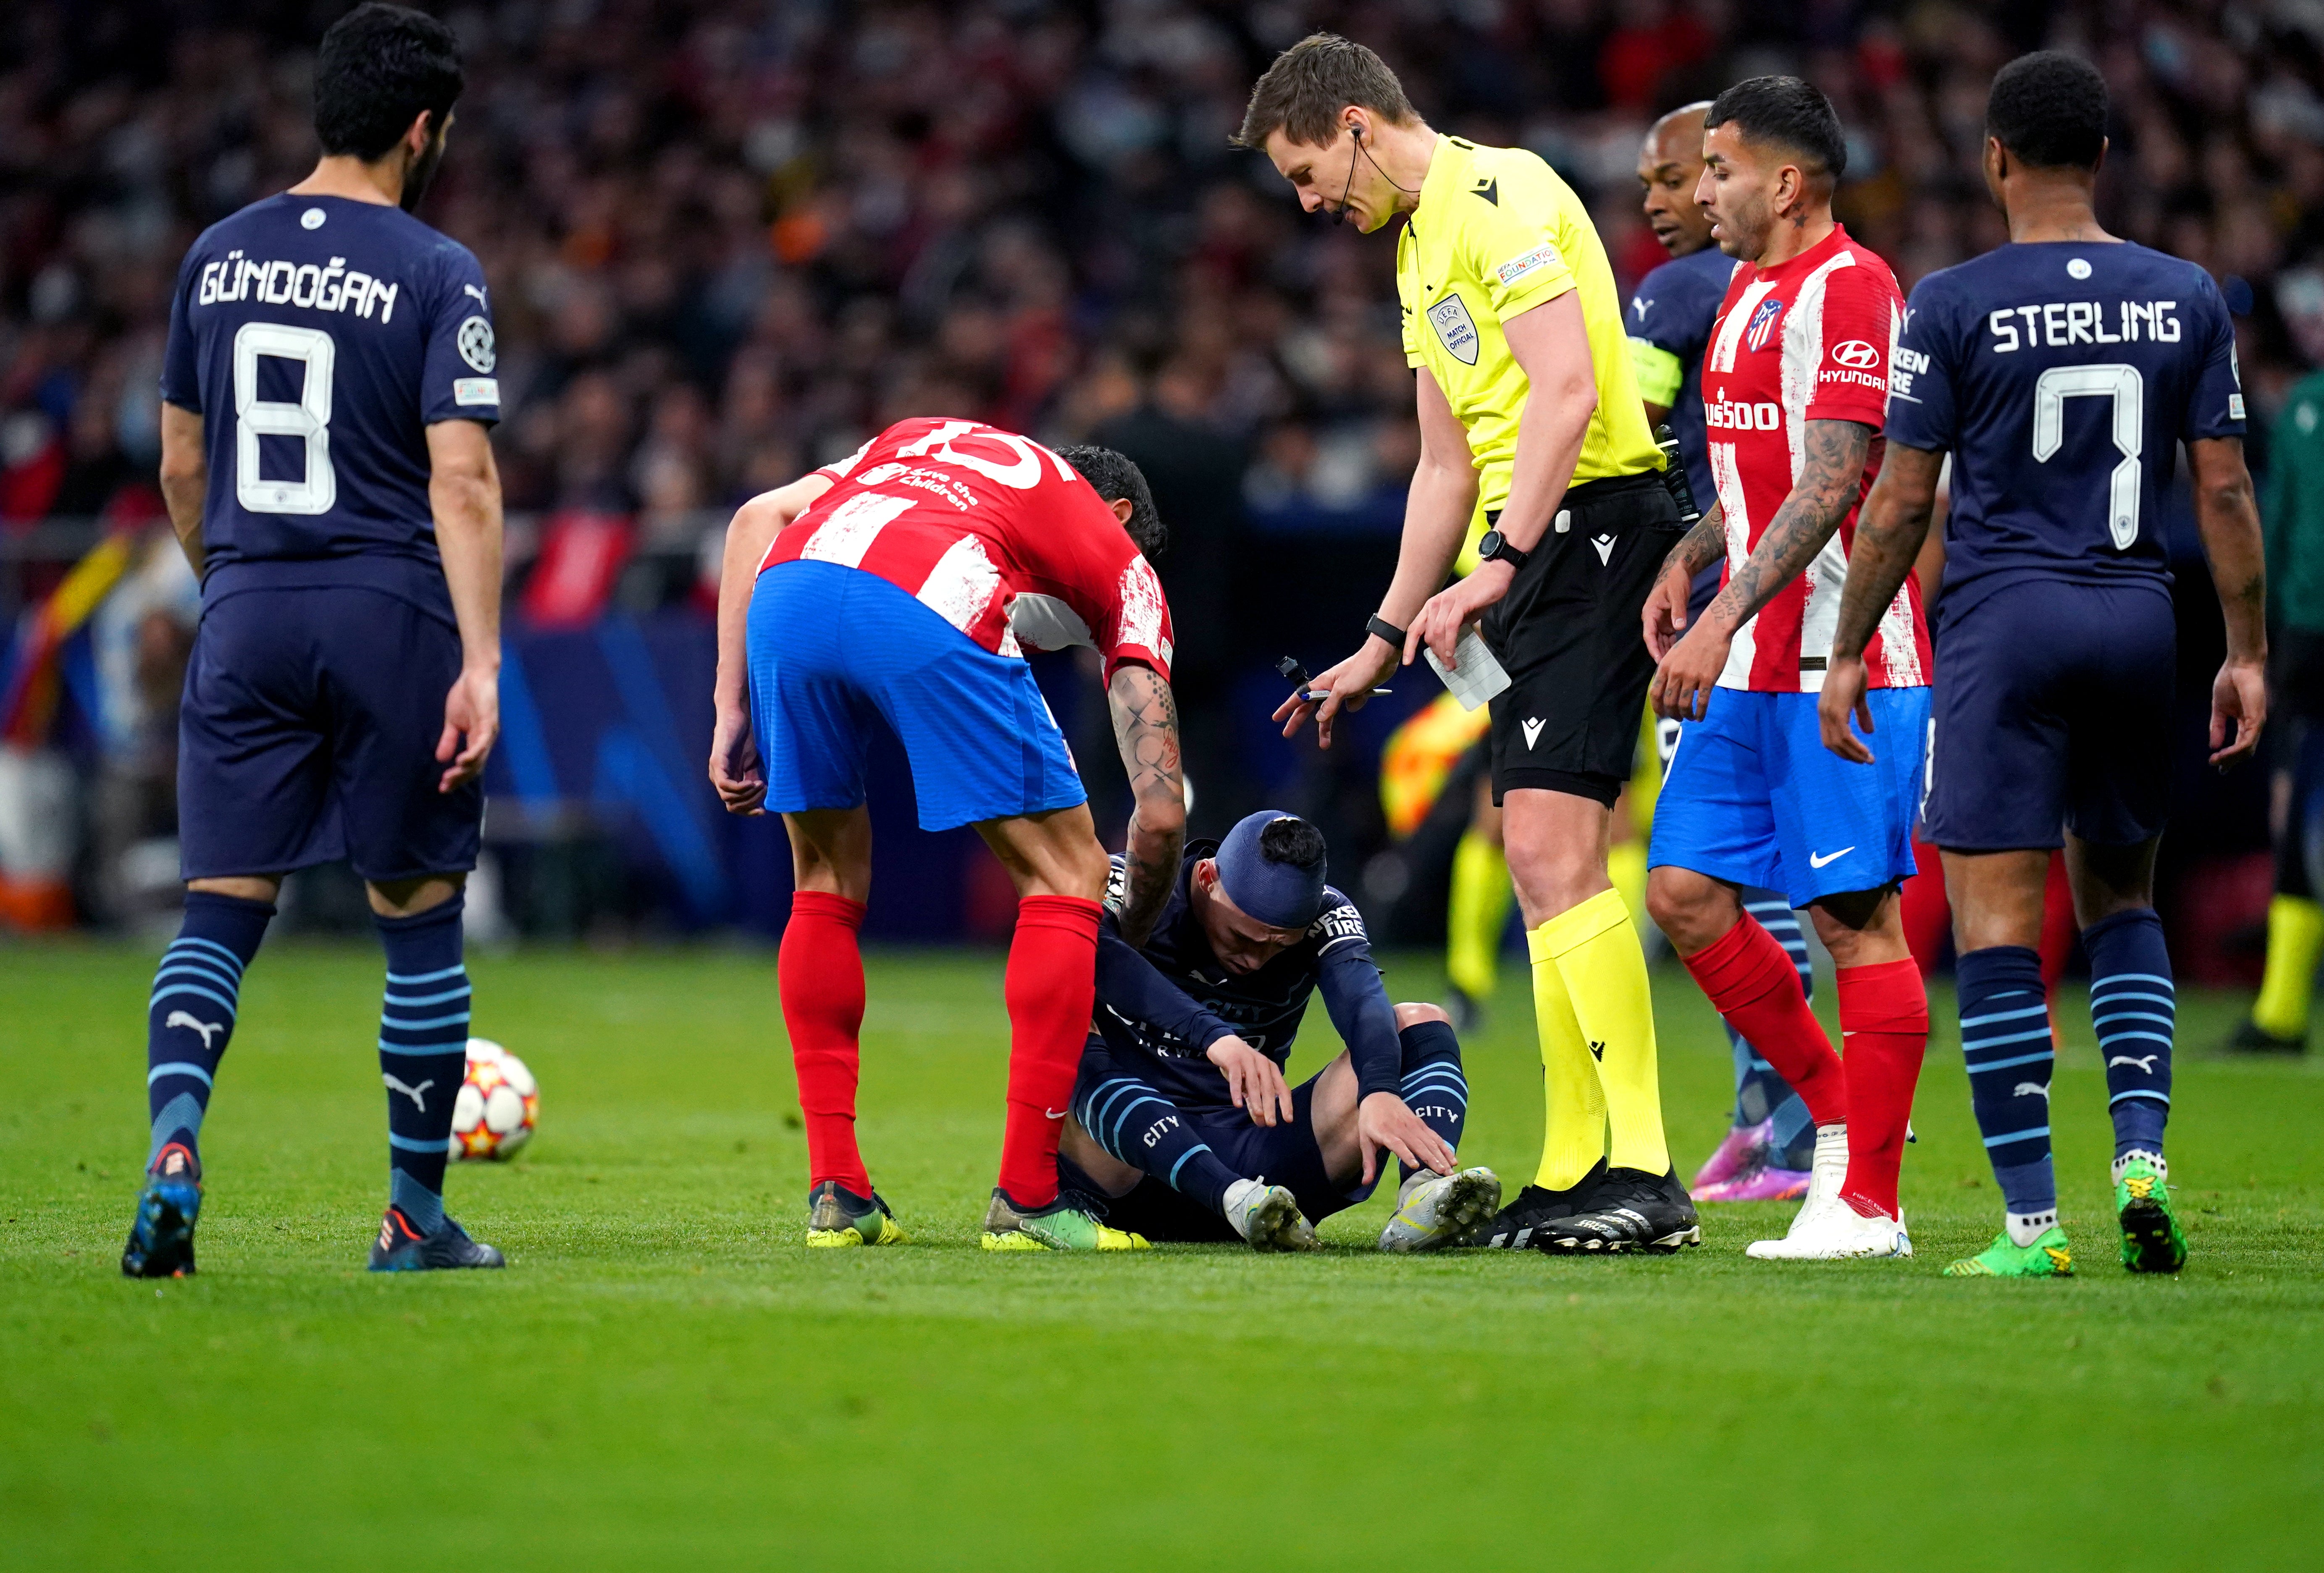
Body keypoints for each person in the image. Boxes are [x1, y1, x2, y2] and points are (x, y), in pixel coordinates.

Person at [1242, 34, 1698, 1254]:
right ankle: (1572, 1166)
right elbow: (1441, 465)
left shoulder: (1497, 196)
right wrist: (1383, 633)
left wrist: (1502, 557)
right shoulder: (1413, 251)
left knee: (1552, 848)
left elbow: (1561, 395)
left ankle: (1644, 1170)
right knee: (1543, 857)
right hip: (1521, 564)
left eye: (1303, 171)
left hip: (1588, 534)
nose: (1305, 202)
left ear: (1350, 123)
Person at [1818, 51, 2266, 1277]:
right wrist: (2243, 653)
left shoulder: (1951, 302)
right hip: (2136, 616)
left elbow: (1903, 496)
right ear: (2104, 159)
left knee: (1996, 922)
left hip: (2002, 625)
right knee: (2122, 901)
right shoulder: (2183, 294)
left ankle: (2029, 1228)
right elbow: (2221, 486)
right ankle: (2139, 1162)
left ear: (1993, 158)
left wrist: (1848, 647)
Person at [123, 3, 507, 1277]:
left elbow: (182, 460)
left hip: (243, 605)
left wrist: (232, 588)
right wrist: (482, 659)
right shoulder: (435, 268)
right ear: (421, 126)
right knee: (417, 911)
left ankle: (176, 1144)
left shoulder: (214, 259)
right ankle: (413, 1219)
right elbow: (463, 482)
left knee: (218, 911)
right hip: (388, 610)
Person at [710, 422, 1187, 1252]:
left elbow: (757, 518)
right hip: (930, 598)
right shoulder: (1120, 556)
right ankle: (1030, 1201)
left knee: (822, 879)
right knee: (1069, 870)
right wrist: (1134, 916)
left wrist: (727, 708)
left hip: (787, 594)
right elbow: (1164, 809)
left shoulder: (925, 441)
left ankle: (837, 1195)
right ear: (1114, 512)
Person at [1641, 76, 1932, 1263]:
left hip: (1837, 661)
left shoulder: (1852, 288)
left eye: (1715, 170)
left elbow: (1831, 480)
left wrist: (1717, 621)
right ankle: (1838, 1125)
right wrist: (1691, 551)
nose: (1698, 192)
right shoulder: (1750, 291)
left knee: (1851, 922)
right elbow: (1755, 478)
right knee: (1682, 893)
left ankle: (1868, 1207)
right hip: (1752, 654)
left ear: (1785, 182)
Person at [1628, 99, 1818, 1205]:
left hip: (1714, 611)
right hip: (1768, 598)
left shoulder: (1679, 294)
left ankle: (1788, 1125)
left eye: (1684, 175)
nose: (1668, 200)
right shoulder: (1758, 291)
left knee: (1731, 881)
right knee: (1754, 876)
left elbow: (1640, 445)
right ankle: (1768, 1118)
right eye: (1664, 181)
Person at [1059, 811, 1499, 1251]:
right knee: (1062, 1009)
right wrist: (1215, 1036)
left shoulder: (1327, 911)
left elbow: (1364, 1002)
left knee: (1419, 1021)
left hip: (1265, 1182)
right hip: (1129, 1171)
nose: (1253, 960)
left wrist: (1380, 1089)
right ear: (1208, 876)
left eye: (1278, 945)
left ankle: (1423, 1194)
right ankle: (1224, 1194)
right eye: (1241, 937)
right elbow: (1100, 957)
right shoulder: (1133, 885)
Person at [2227, 359, 2324, 1054]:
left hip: (2300, 631)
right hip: (2306, 636)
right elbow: (2277, 517)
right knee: (2293, 810)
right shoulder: (2302, 402)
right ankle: (2281, 1010)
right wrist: (2263, 641)